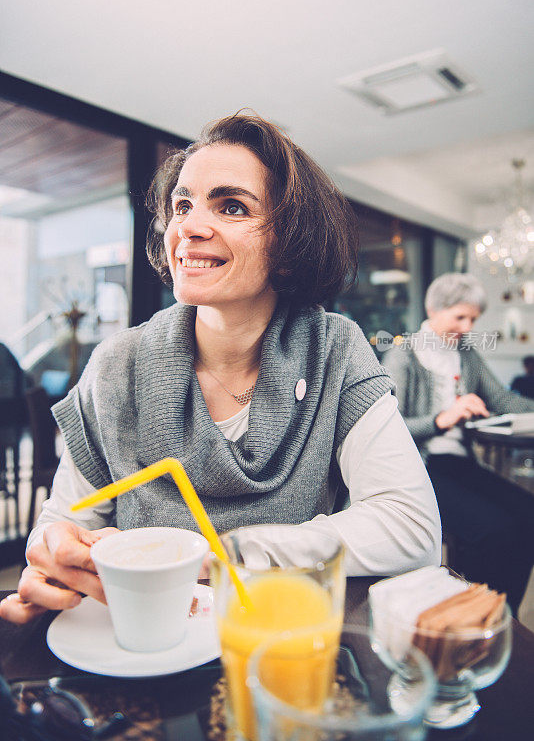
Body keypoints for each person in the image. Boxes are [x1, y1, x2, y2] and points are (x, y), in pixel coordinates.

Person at [0, 113, 440, 625]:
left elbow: (411, 526)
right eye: (182, 204)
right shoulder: (116, 364)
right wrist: (53, 553)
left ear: (290, 242)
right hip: (145, 645)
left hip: (281, 647)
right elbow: (65, 520)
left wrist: (233, 553)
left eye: (231, 206)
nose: (189, 226)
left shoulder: (334, 350)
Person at [383, 272, 534, 614]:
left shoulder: (465, 354)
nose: (467, 327)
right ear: (434, 309)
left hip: (457, 462)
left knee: (529, 514)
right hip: (419, 468)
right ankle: (473, 618)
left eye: (473, 319)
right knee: (495, 531)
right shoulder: (402, 357)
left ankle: (500, 615)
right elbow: (388, 430)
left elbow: (503, 401)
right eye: (460, 317)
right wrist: (442, 419)